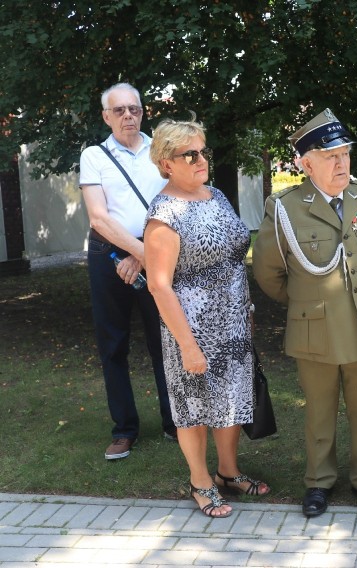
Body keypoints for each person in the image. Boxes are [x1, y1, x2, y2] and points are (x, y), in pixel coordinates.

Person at [252, 109, 357, 518]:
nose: (341, 163)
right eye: (330, 156)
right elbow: (269, 272)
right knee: (319, 412)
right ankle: (319, 482)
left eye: (345, 154)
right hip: (315, 329)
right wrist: (308, 303)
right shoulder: (286, 208)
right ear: (305, 162)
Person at [144, 117, 269, 518]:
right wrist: (187, 345)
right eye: (190, 154)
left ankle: (228, 472)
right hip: (192, 328)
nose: (201, 160)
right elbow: (159, 285)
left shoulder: (214, 195)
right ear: (167, 163)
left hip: (232, 322)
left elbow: (233, 255)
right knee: (194, 407)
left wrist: (245, 309)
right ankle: (200, 481)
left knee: (230, 400)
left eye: (203, 151)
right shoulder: (164, 215)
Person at [78, 83, 176, 460]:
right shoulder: (94, 156)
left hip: (155, 247)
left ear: (142, 112)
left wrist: (143, 254)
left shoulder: (160, 152)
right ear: (106, 116)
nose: (127, 116)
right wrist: (139, 253)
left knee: (164, 341)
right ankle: (124, 430)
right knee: (113, 345)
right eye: (118, 111)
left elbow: (173, 204)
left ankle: (174, 420)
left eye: (133, 109)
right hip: (109, 254)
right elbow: (98, 217)